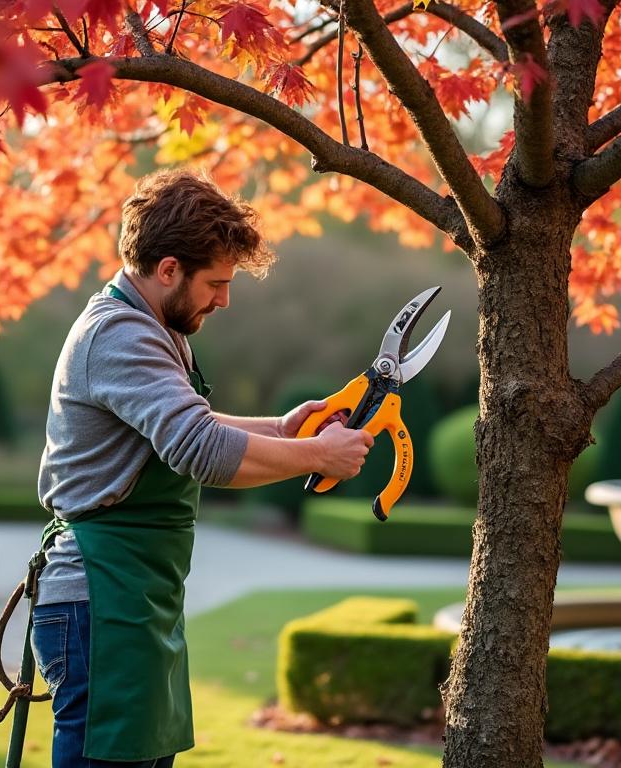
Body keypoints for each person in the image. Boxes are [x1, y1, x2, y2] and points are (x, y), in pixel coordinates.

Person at [32, 167, 373, 767]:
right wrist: (319, 457)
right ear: (168, 270)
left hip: (133, 600)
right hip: (101, 603)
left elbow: (191, 424)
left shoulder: (152, 327)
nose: (224, 299)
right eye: (215, 282)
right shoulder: (120, 337)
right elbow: (201, 451)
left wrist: (281, 430)